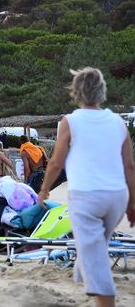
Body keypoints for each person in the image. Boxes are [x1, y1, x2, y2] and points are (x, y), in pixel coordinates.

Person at [39, 67, 135, 307]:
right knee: (95, 245)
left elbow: (56, 162)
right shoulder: (117, 122)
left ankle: (105, 299)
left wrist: (44, 190)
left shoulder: (70, 121)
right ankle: (85, 273)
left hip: (87, 195)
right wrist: (133, 202)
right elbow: (129, 166)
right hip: (116, 197)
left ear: (76, 92)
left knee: (95, 255)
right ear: (102, 91)